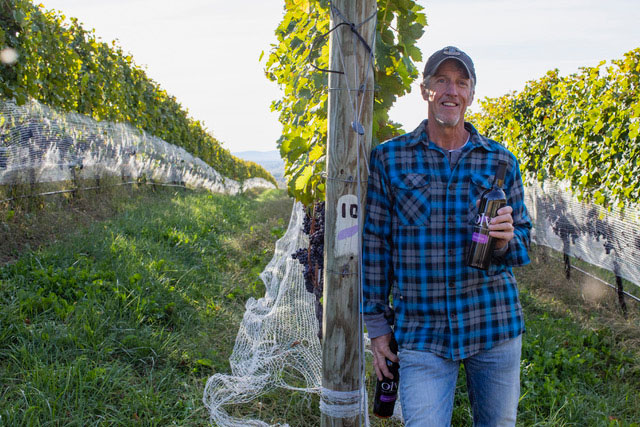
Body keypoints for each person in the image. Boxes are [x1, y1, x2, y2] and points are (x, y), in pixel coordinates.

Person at [362, 46, 532, 426]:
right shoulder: (390, 159)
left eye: (461, 82)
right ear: (425, 90)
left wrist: (505, 241)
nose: (451, 90)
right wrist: (377, 328)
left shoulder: (501, 161)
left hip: (493, 325)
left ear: (471, 94)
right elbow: (375, 243)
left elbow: (524, 242)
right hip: (422, 333)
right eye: (441, 80)